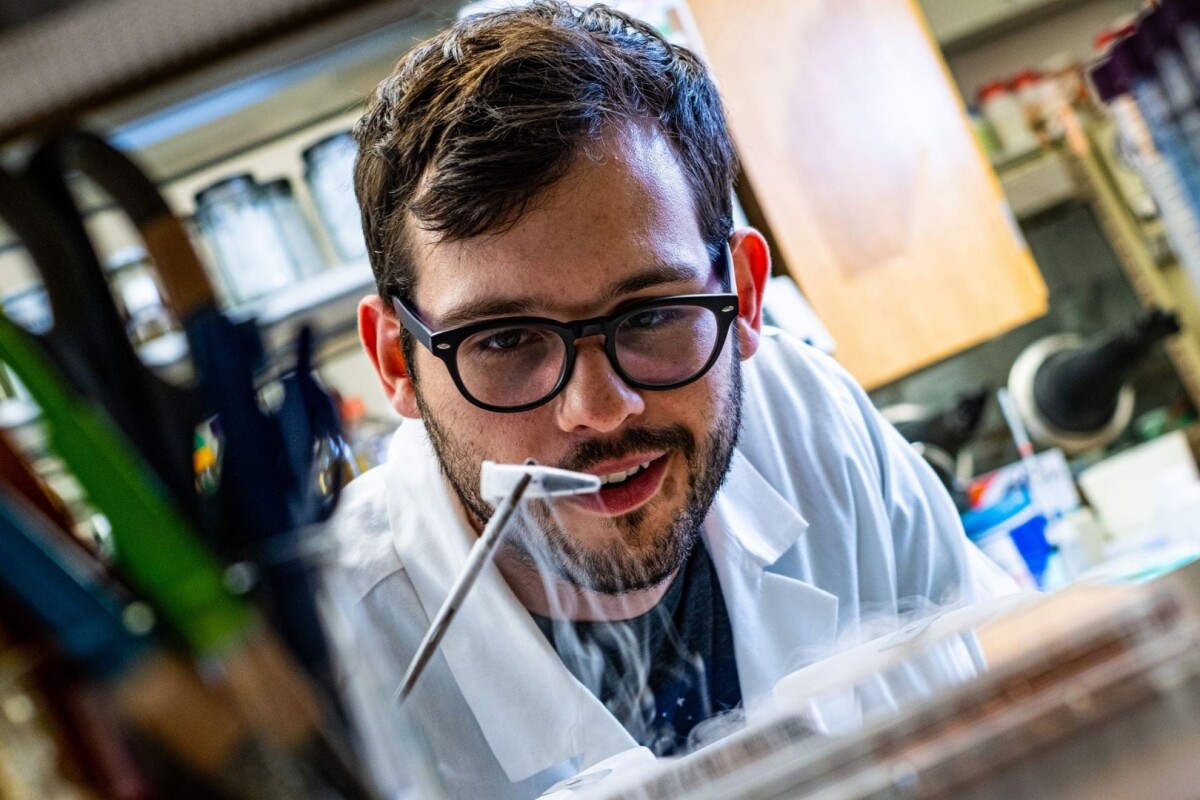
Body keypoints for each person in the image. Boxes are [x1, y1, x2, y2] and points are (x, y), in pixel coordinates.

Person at [333, 2, 1018, 797]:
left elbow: (1000, 682)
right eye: (505, 341)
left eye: (653, 315)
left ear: (747, 296)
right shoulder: (340, 655)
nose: (599, 407)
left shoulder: (804, 418)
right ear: (395, 360)